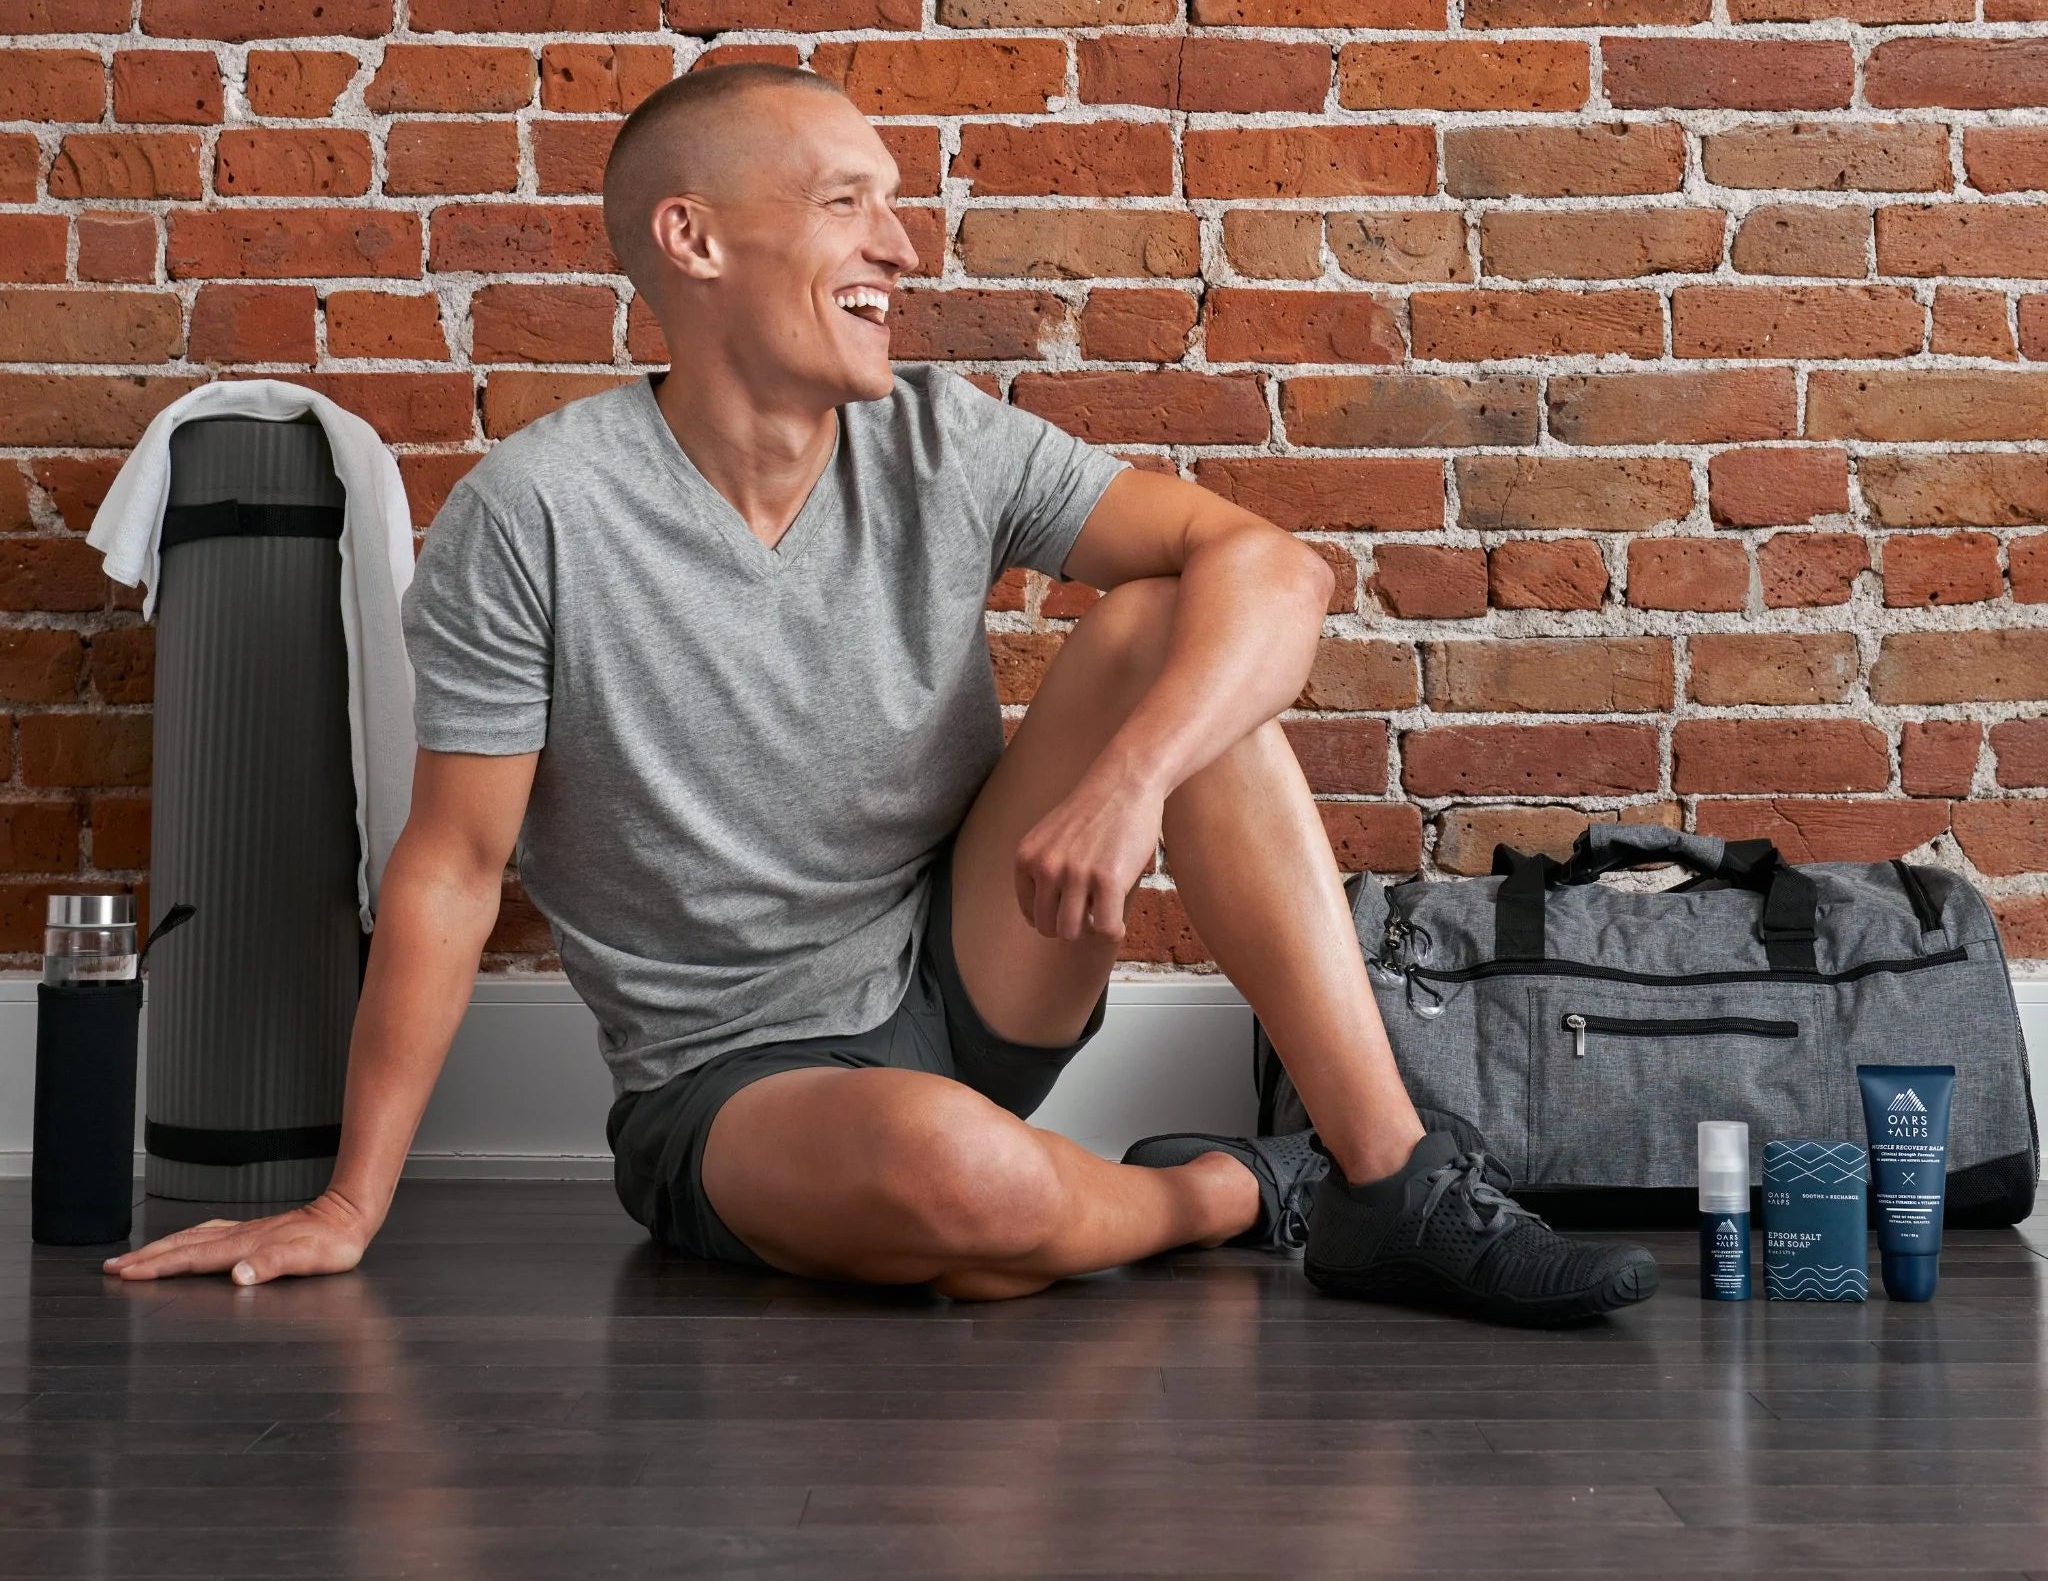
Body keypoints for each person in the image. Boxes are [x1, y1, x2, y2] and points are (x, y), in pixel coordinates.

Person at [105, 64, 1656, 1324]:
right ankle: (1236, 1188)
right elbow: (450, 867)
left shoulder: (939, 436)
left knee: (1172, 621)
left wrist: (1130, 784)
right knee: (965, 1197)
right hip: (737, 1087)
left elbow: (1278, 572)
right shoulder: (537, 514)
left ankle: (1390, 1183)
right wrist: (351, 1199)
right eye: (847, 203)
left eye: (893, 206)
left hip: (973, 969)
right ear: (693, 240)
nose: (902, 249)